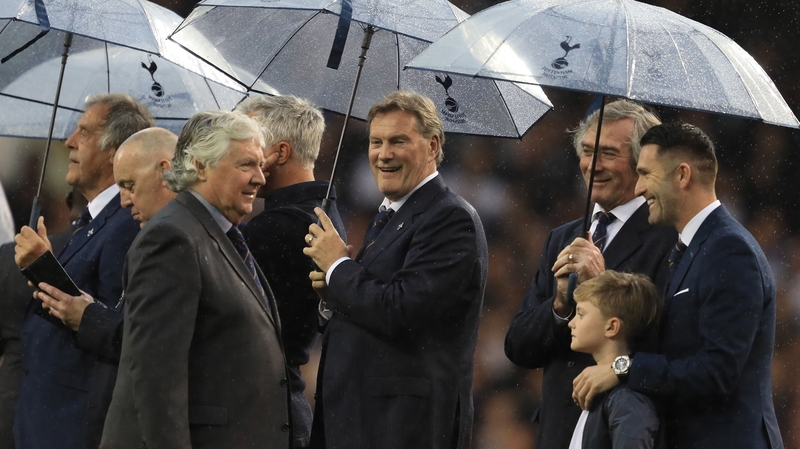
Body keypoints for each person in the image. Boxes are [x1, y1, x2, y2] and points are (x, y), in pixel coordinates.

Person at [572, 122, 783, 449]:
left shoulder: (729, 250)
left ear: (683, 175)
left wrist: (623, 367)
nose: (639, 188)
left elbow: (718, 370)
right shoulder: (694, 247)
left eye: (646, 174)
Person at [303, 91, 488, 449]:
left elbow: (400, 311)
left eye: (398, 141)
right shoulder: (393, 213)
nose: (383, 154)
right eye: (376, 141)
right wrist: (333, 294)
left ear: (433, 146)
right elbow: (377, 305)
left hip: (403, 428)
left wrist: (339, 268)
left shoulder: (449, 218)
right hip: (365, 422)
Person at [100, 110, 290, 449]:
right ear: (199, 166)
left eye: (260, 165)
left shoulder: (214, 232)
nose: (260, 178)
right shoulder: (172, 238)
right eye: (246, 164)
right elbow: (155, 378)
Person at [504, 99, 676, 449]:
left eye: (609, 154)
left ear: (641, 162)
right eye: (586, 151)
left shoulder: (669, 238)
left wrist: (601, 285)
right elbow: (519, 347)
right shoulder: (562, 237)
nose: (592, 165)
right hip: (557, 430)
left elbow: (666, 347)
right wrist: (561, 305)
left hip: (622, 430)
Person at [13, 94, 152, 449]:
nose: (69, 142)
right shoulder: (92, 221)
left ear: (114, 152)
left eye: (84, 132)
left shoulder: (125, 223)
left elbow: (114, 327)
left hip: (75, 425)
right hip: (49, 419)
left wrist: (41, 266)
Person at [236, 94, 346, 449]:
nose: (239, 152)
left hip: (259, 415)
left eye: (250, 141)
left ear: (280, 153)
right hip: (284, 410)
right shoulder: (322, 214)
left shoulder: (278, 228)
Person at [29, 127, 179, 364]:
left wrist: (88, 317)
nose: (124, 201)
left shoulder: (173, 241)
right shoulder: (160, 233)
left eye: (130, 185)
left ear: (164, 171)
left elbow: (152, 346)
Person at [0, 190, 86, 449]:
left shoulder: (6, 258)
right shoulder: (86, 258)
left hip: (9, 406)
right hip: (61, 418)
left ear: (68, 206)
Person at [566, 270, 661, 449]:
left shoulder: (626, 401)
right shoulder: (605, 397)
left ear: (611, 327)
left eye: (581, 314)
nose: (571, 323)